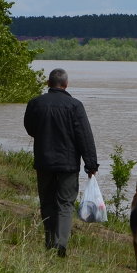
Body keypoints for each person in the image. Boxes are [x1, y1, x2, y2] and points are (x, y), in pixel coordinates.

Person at [23, 68, 99, 257]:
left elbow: (30, 128)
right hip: (68, 165)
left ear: (48, 84)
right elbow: (84, 136)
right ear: (66, 84)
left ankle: (49, 242)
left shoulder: (35, 103)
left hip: (44, 161)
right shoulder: (75, 106)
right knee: (65, 204)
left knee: (47, 202)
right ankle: (60, 244)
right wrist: (91, 165)